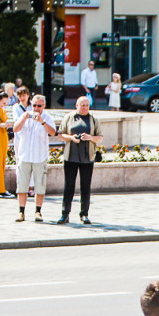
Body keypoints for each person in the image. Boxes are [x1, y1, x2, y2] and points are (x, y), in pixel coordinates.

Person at [57, 96, 103, 225]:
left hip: (87, 157)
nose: (84, 107)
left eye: (87, 105)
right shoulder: (69, 117)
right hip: (71, 156)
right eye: (82, 105)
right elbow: (61, 135)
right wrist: (72, 138)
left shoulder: (93, 119)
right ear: (76, 105)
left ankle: (84, 214)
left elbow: (99, 137)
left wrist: (90, 137)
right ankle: (65, 213)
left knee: (85, 187)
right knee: (68, 186)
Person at [13, 89, 56, 223]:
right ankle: (21, 212)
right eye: (34, 105)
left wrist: (42, 121)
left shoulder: (48, 118)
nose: (36, 108)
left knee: (40, 186)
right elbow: (15, 129)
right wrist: (24, 118)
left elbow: (53, 132)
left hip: (39, 156)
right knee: (22, 186)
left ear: (44, 106)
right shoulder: (26, 115)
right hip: (25, 155)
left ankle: (38, 211)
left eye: (39, 106)